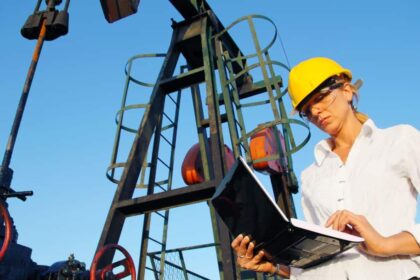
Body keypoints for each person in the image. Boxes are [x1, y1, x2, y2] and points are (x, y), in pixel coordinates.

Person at [231, 57, 420, 279]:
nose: (316, 112)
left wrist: (385, 244)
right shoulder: (311, 175)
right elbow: (318, 256)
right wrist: (276, 266)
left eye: (321, 98)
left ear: (347, 90)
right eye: (307, 110)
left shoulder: (399, 140)